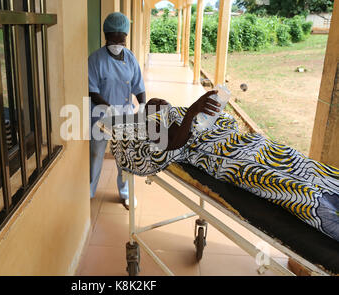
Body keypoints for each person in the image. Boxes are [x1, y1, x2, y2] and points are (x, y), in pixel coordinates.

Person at [109, 92, 339, 242]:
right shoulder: (149, 131)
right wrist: (191, 113)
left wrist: (207, 113)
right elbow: (172, 147)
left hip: (250, 144)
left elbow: (224, 123)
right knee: (290, 186)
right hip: (228, 158)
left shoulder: (170, 113)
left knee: (298, 161)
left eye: (156, 102)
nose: (156, 102)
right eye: (152, 107)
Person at [88, 12, 146, 209]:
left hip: (125, 115)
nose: (116, 42)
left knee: (126, 155)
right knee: (95, 154)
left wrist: (143, 105)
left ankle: (126, 192)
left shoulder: (130, 58)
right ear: (106, 36)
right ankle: (89, 191)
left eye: (120, 39)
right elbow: (92, 90)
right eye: (112, 38)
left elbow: (139, 85)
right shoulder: (95, 59)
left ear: (125, 38)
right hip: (101, 114)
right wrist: (109, 108)